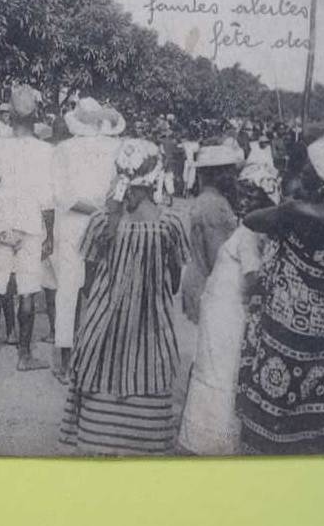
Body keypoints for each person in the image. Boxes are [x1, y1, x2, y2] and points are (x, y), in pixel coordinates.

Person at [236, 136, 324, 455]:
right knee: (313, 403)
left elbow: (251, 221)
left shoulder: (299, 211)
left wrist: (286, 206)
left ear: (323, 175)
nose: (304, 170)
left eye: (310, 166)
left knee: (274, 404)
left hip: (289, 321)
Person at [60, 140, 189, 455]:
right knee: (147, 382)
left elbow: (88, 287)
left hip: (101, 329)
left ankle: (100, 440)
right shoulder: (170, 224)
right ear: (155, 177)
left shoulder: (102, 222)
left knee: (99, 394)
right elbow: (172, 285)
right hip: (151, 329)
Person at [178, 162, 281, 456]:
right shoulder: (248, 226)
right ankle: (210, 437)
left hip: (227, 311)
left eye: (252, 194)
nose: (245, 197)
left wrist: (248, 300)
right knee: (215, 367)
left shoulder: (250, 231)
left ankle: (211, 440)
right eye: (244, 191)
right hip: (222, 308)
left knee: (218, 369)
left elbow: (251, 276)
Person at [0, 85, 55, 371]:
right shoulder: (46, 150)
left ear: (9, 116)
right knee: (28, 289)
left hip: (1, 221)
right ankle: (24, 355)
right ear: (35, 117)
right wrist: (50, 233)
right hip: (31, 223)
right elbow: (48, 199)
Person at [49, 97, 124, 383]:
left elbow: (61, 195)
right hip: (103, 221)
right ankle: (97, 356)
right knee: (101, 287)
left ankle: (65, 362)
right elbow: (118, 189)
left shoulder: (63, 149)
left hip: (72, 222)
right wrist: (105, 212)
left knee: (68, 290)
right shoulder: (113, 148)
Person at [180, 144, 242, 325]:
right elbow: (218, 257)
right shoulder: (215, 206)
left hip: (200, 281)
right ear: (218, 175)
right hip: (210, 287)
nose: (234, 177)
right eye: (230, 172)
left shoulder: (206, 201)